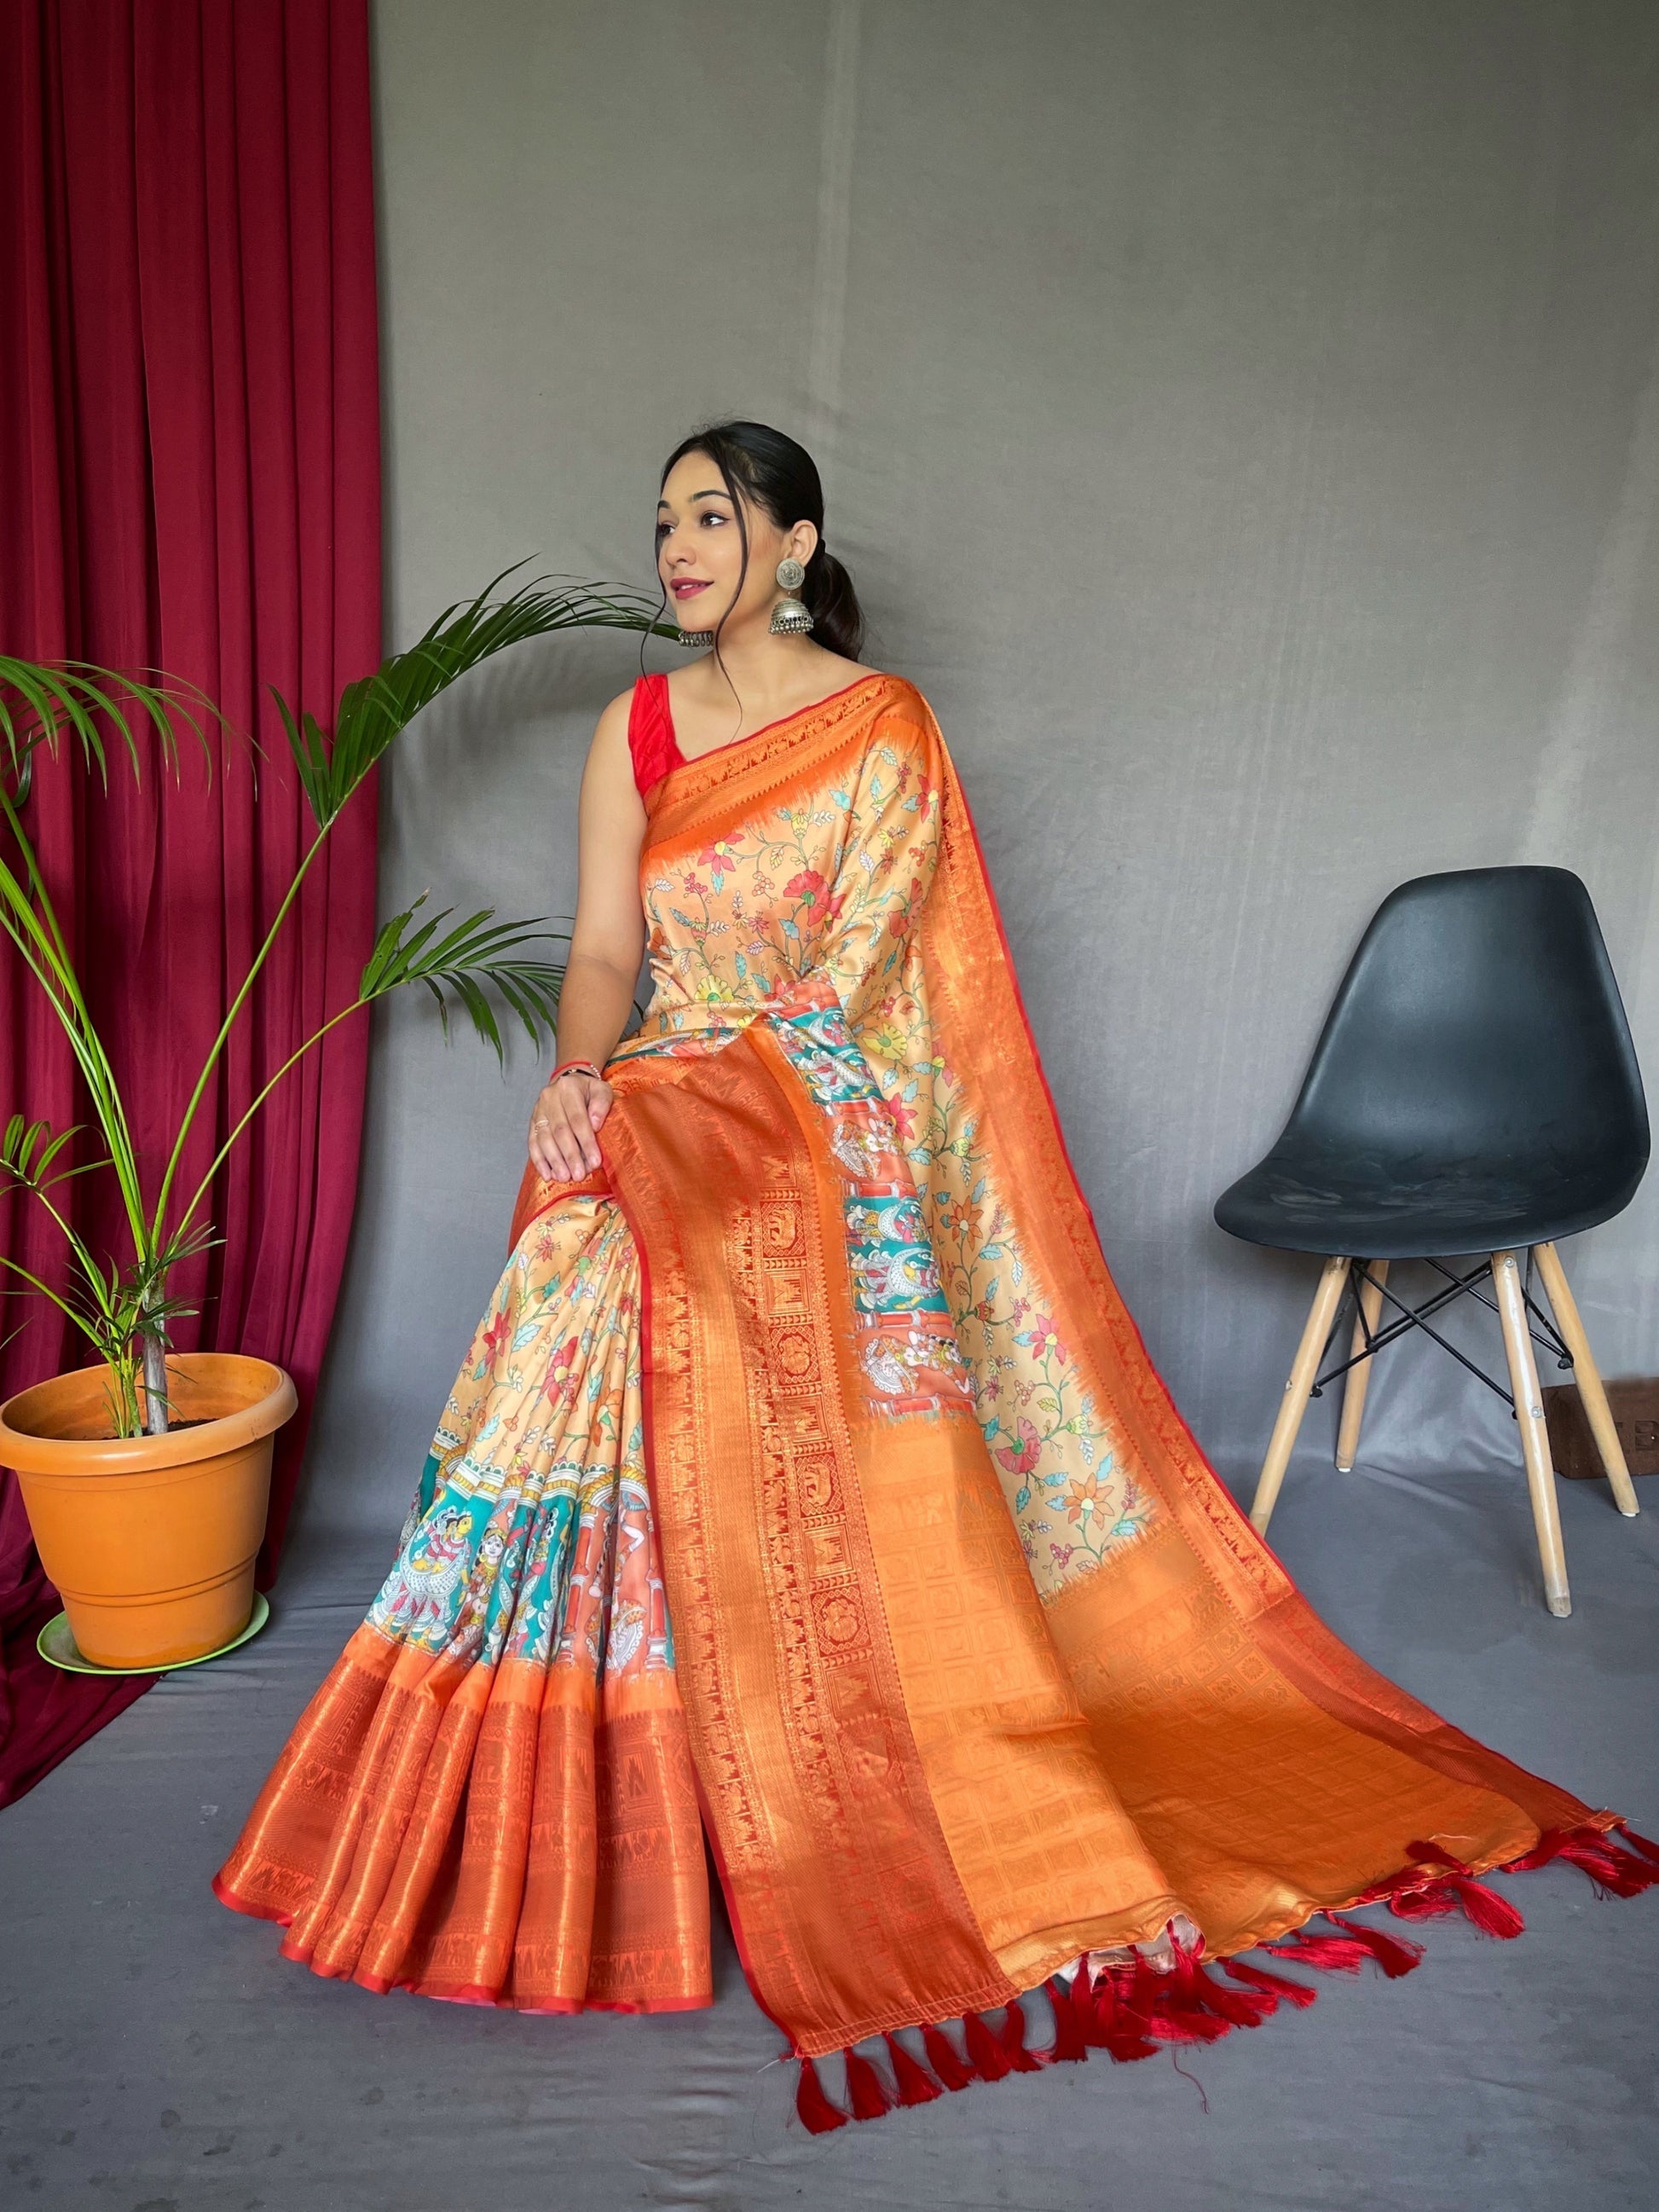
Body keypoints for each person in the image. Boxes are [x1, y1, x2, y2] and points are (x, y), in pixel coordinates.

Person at [216, 420, 1652, 2128]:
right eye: (661, 520)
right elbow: (606, 951)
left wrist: (696, 1101)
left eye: (711, 516)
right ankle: (571, 1819)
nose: (676, 547)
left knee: (670, 1286)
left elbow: (865, 988)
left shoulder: (882, 728)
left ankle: (819, 1782)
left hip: (817, 1133)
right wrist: (582, 1085)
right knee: (579, 1296)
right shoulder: (639, 726)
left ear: (797, 545)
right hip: (659, 1110)